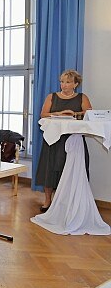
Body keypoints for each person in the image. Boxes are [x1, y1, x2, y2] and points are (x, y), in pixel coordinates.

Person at [36, 69, 92, 213]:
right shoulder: (52, 97)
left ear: (75, 84)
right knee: (49, 170)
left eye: (68, 82)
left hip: (73, 140)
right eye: (62, 82)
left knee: (72, 171)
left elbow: (89, 114)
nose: (64, 85)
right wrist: (59, 114)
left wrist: (74, 114)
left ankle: (69, 202)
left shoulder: (82, 97)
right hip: (53, 140)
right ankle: (48, 200)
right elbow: (43, 114)